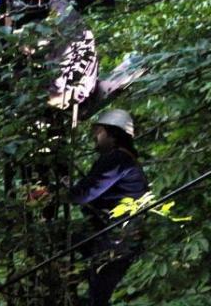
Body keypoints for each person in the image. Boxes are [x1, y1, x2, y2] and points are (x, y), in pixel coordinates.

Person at [68, 109, 149, 306]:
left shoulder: (118, 160)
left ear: (113, 135)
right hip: (116, 236)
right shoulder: (124, 160)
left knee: (98, 296)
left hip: (116, 238)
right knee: (96, 295)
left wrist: (60, 194)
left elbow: (84, 193)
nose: (95, 137)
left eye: (99, 132)